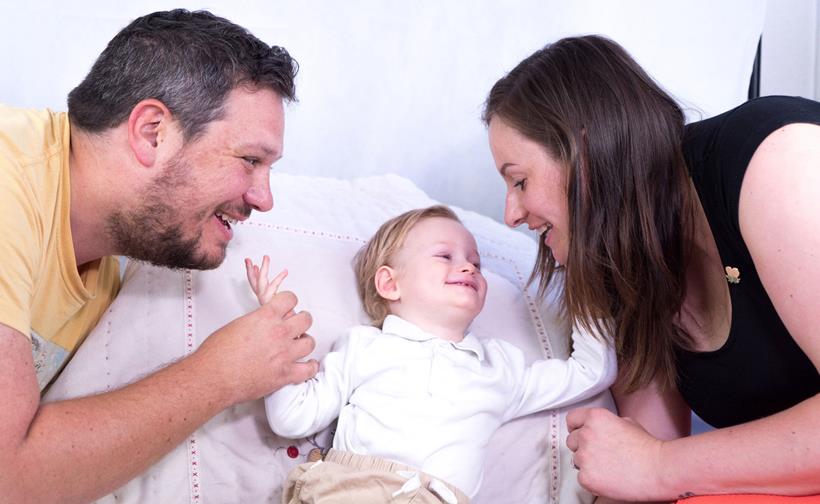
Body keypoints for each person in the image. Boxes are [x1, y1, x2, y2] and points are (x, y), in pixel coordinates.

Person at [483, 34, 820, 503]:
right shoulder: (622, 266)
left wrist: (661, 466)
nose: (511, 215)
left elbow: (655, 465)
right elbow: (638, 467)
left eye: (520, 181)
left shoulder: (777, 164)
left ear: (586, 153)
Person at [0, 9, 318, 502]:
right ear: (153, 132)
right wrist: (220, 374)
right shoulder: (8, 180)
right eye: (251, 160)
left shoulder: (116, 254)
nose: (264, 198)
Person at [245, 204, 617, 503]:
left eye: (476, 262)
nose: (469, 266)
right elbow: (292, 419)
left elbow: (590, 371)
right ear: (390, 283)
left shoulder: (500, 368)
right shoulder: (364, 347)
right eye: (445, 255)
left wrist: (590, 290)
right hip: (353, 488)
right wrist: (276, 333)